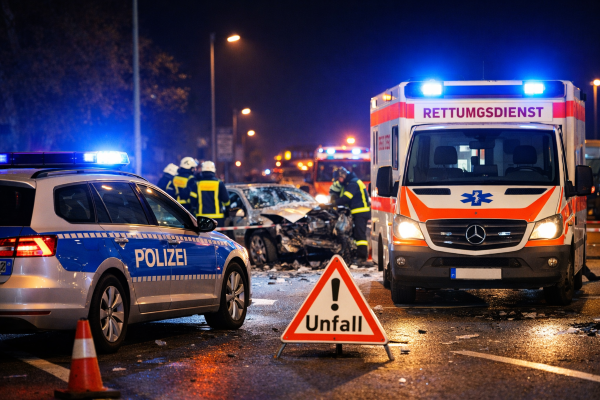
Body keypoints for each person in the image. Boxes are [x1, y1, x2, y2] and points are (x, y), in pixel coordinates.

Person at [334, 167, 371, 262]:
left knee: (360, 235)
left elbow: (347, 198)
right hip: (357, 212)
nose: (339, 181)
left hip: (361, 212)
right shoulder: (349, 183)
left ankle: (362, 257)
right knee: (355, 234)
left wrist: (333, 203)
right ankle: (356, 255)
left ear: (343, 176)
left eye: (339, 178)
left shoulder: (353, 183)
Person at [195, 160, 230, 227]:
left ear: (202, 171)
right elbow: (226, 200)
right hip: (217, 218)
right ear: (214, 171)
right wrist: (227, 210)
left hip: (202, 218)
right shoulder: (219, 183)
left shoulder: (197, 184)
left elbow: (193, 201)